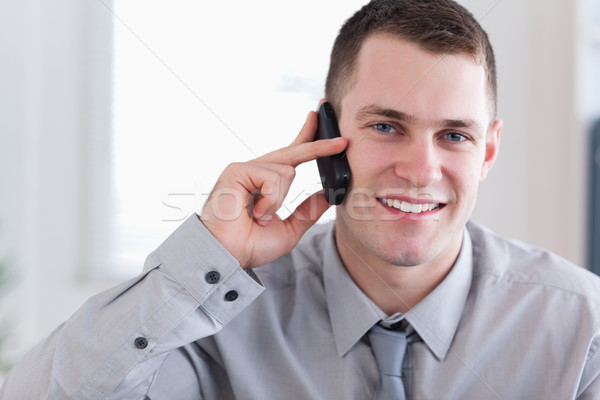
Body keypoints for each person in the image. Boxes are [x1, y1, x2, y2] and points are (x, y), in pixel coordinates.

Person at [2, 0, 600, 398]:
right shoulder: (217, 317)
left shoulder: (581, 328)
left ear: (488, 152)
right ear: (325, 136)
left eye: (455, 135)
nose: (421, 170)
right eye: (386, 126)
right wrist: (200, 263)